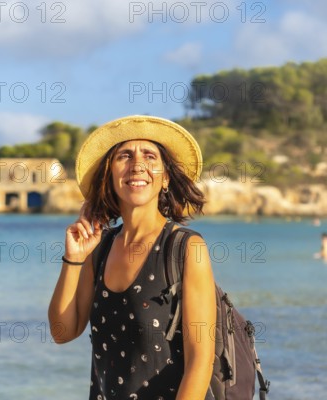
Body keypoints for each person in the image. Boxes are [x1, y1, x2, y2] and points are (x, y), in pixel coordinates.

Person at [48, 115, 216, 399]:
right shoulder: (99, 249)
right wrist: (74, 259)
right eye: (124, 156)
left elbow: (201, 360)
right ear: (110, 176)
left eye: (150, 156)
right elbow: (62, 332)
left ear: (165, 178)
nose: (137, 164)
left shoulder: (185, 247)